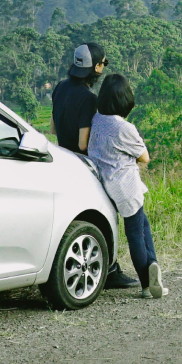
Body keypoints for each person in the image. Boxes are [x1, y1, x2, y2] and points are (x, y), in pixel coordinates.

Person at [52, 43, 137, 289]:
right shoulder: (89, 99)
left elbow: (53, 129)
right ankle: (110, 270)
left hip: (63, 160)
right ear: (97, 67)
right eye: (102, 64)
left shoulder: (59, 88)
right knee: (105, 213)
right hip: (83, 165)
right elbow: (82, 142)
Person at [87, 74, 165, 299]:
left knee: (142, 226)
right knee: (135, 234)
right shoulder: (124, 128)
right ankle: (147, 284)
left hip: (106, 185)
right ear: (125, 99)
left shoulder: (97, 119)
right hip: (126, 186)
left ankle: (153, 267)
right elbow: (145, 157)